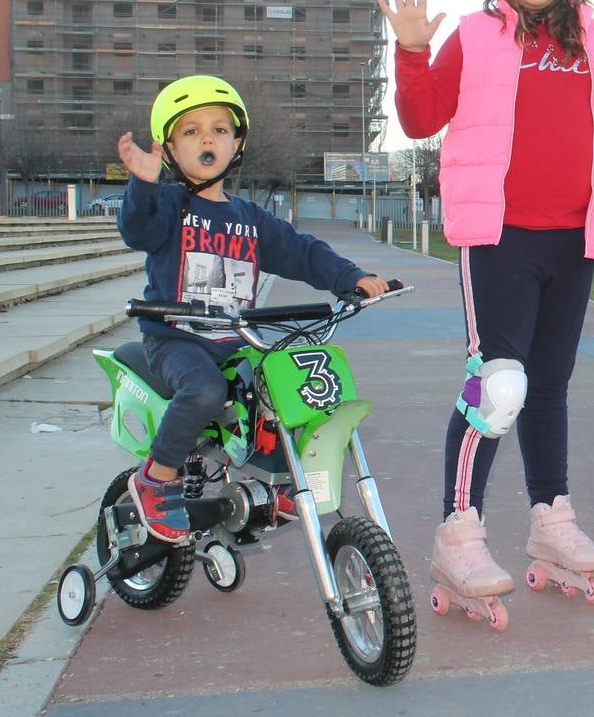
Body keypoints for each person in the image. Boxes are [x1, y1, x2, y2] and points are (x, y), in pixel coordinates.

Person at [378, 0, 594, 613]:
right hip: (499, 236)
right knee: (498, 385)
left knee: (551, 385)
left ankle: (551, 519)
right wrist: (411, 48)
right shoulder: (476, 35)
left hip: (574, 237)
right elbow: (421, 115)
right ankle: (458, 530)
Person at [116, 75, 389, 543]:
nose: (207, 138)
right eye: (191, 130)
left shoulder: (250, 218)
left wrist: (350, 278)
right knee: (202, 389)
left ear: (236, 143)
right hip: (176, 338)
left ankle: (283, 481)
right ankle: (155, 479)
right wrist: (143, 183)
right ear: (170, 147)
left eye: (219, 129)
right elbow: (137, 231)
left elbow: (302, 252)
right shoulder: (165, 203)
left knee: (290, 382)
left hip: (234, 338)